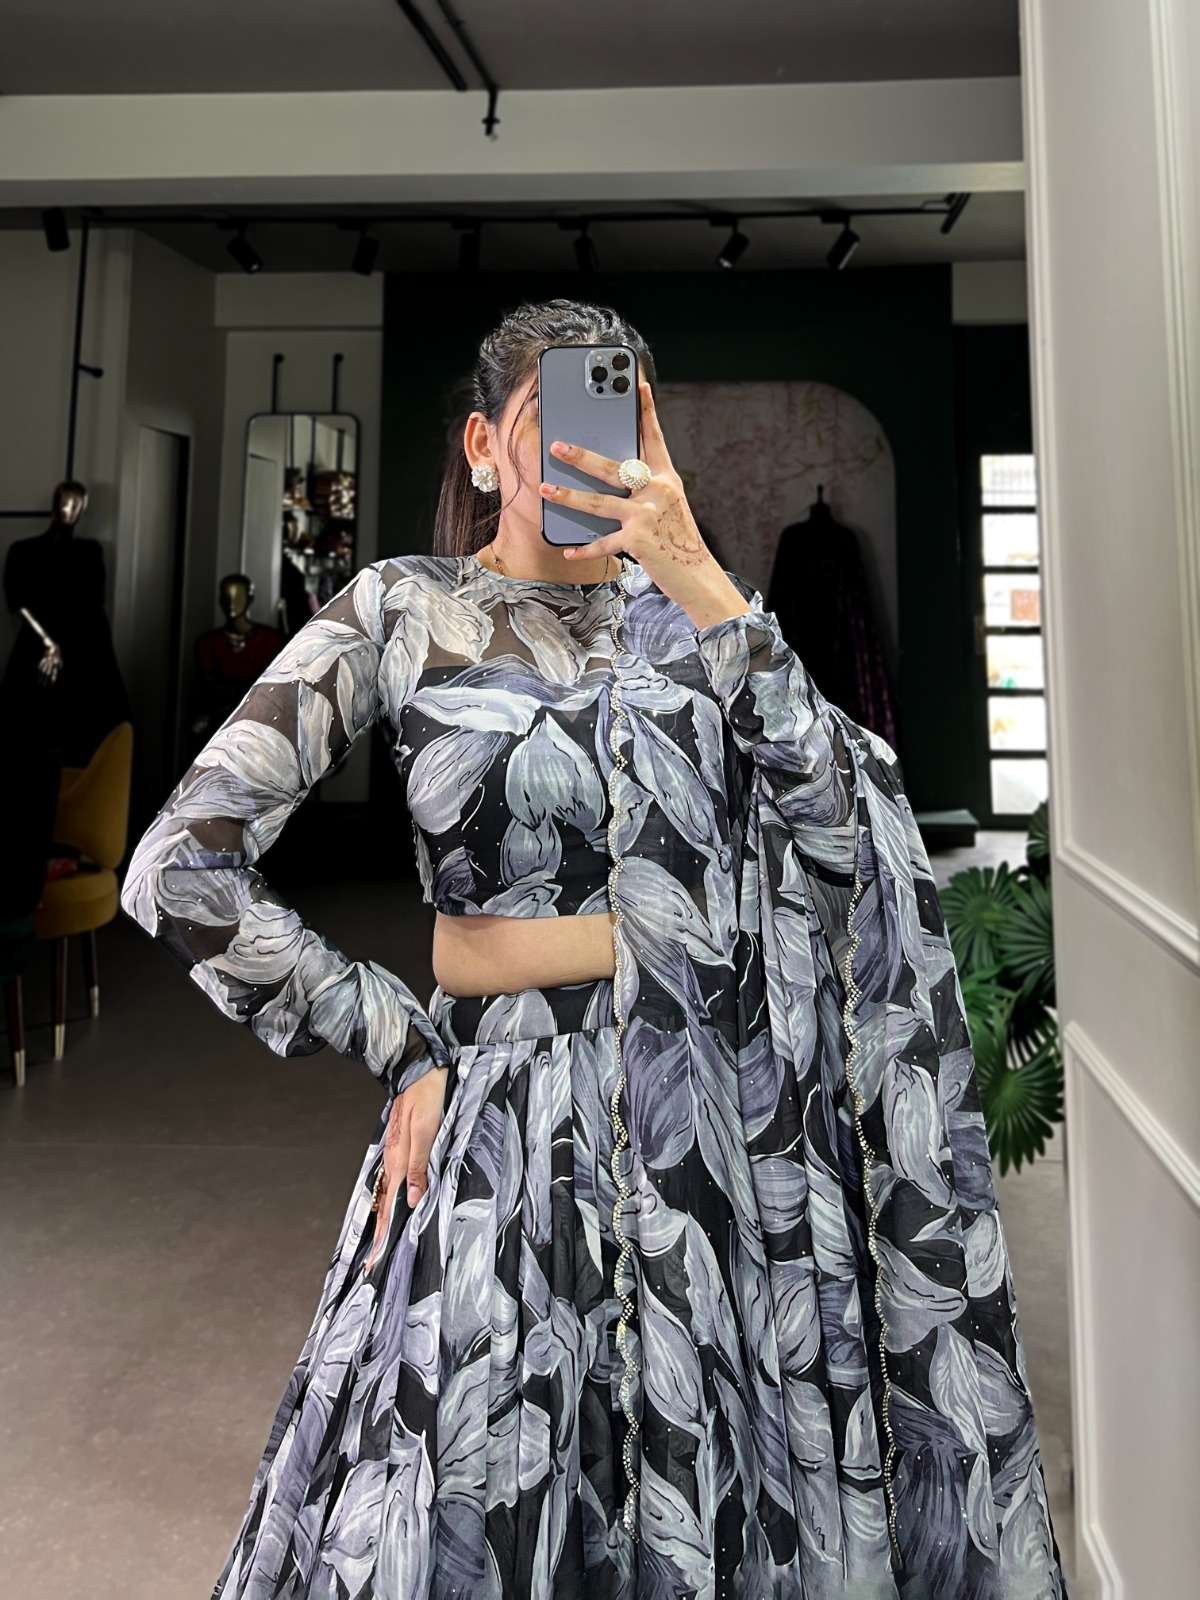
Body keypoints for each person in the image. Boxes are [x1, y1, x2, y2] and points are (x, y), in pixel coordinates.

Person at [119, 298, 1070, 1600]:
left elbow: (859, 839)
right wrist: (397, 1040)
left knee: (706, 1516)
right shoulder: (404, 610)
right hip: (505, 1137)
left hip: (714, 1153)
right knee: (482, 1505)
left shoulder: (700, 625)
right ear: (482, 448)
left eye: (617, 419)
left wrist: (698, 576)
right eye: (547, 419)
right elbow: (182, 864)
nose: (585, 448)